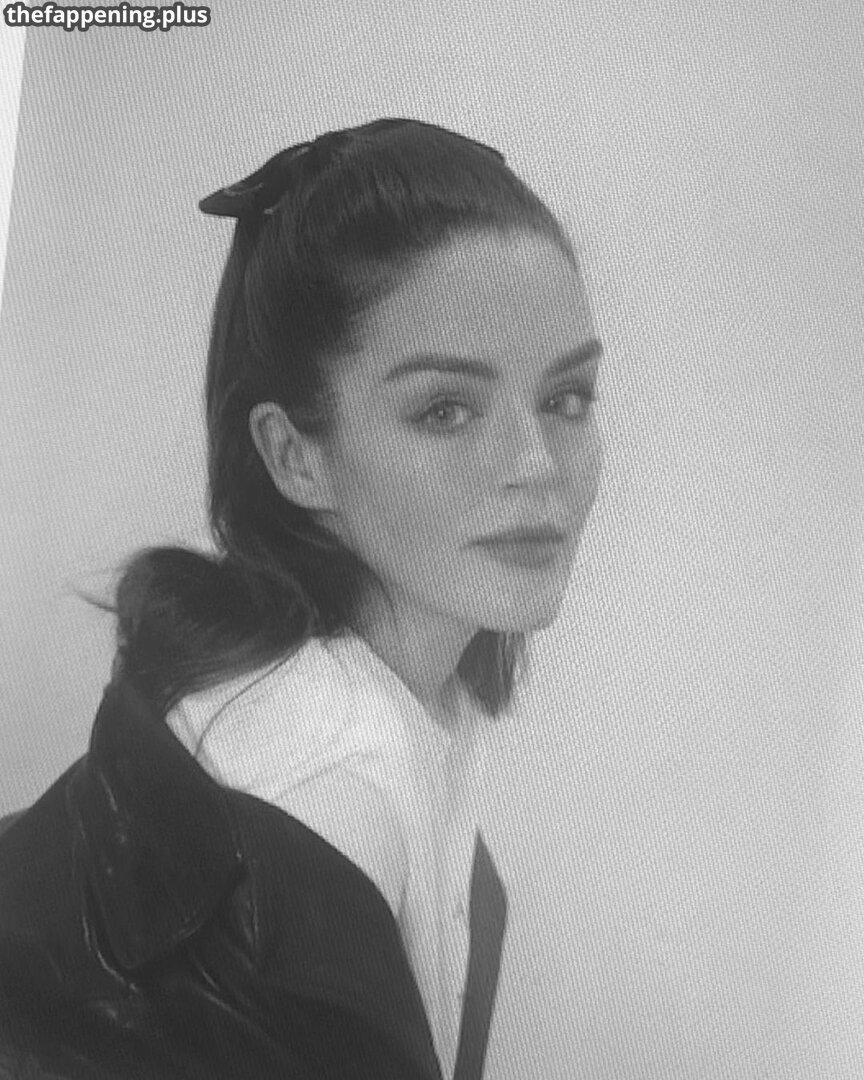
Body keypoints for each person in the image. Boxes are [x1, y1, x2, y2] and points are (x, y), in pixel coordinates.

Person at [0, 118, 603, 1079]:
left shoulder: (395, 715)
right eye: (446, 409)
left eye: (566, 397)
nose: (538, 464)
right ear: (294, 456)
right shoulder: (316, 800)